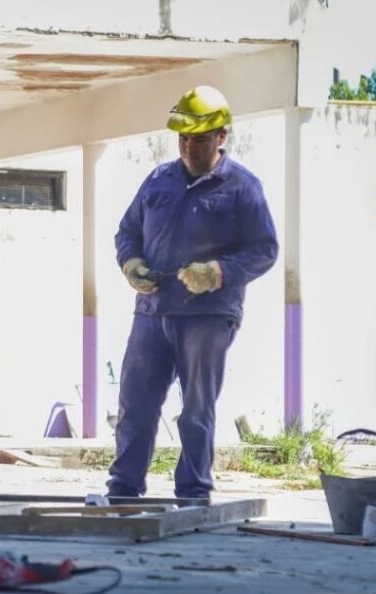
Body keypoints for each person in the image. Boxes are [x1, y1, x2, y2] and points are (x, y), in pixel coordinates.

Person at [109, 85, 279, 500]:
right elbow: (127, 231)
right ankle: (124, 491)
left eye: (200, 139)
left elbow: (265, 249)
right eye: (183, 138)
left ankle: (193, 493)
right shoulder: (158, 180)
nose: (189, 147)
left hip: (208, 314)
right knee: (135, 405)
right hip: (152, 310)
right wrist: (130, 264)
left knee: (196, 409)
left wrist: (218, 272)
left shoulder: (242, 187)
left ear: (222, 137)